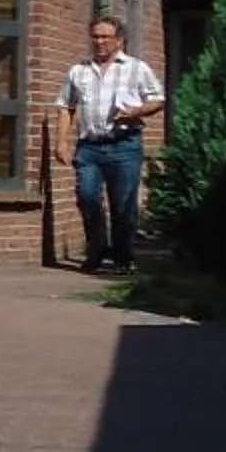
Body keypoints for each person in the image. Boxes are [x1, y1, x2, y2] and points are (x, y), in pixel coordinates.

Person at [53, 17, 165, 272]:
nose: (100, 42)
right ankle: (96, 250)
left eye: (105, 37)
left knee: (123, 204)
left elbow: (158, 99)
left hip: (124, 144)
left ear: (118, 40)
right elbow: (66, 107)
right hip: (90, 146)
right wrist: (61, 142)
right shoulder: (78, 71)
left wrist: (137, 111)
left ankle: (122, 258)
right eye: (95, 36)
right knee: (87, 197)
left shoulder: (137, 68)